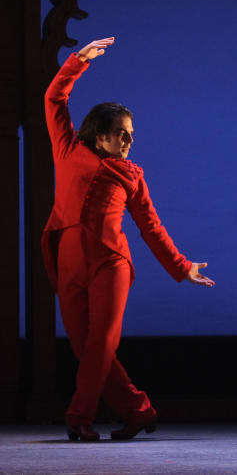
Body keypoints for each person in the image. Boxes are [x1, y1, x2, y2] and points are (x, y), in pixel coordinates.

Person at [42, 37, 214, 442]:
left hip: (110, 264)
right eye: (122, 133)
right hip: (69, 260)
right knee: (87, 350)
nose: (129, 140)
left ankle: (78, 417)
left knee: (101, 342)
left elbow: (151, 226)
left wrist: (181, 265)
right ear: (99, 134)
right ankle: (139, 410)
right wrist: (77, 62)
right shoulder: (68, 149)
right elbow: (54, 100)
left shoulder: (131, 176)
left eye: (131, 133)